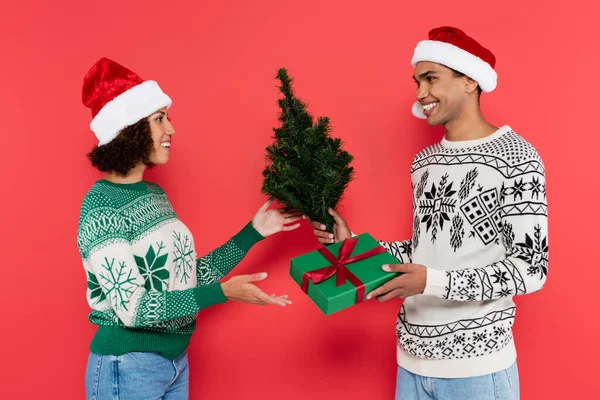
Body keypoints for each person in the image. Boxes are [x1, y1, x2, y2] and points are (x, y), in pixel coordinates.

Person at [309, 27, 548, 399]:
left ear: (469, 80)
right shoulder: (424, 163)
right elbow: (425, 251)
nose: (421, 93)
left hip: (478, 371)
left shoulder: (516, 159)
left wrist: (431, 283)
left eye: (431, 78)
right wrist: (353, 246)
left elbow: (531, 270)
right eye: (417, 81)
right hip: (411, 363)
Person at [78, 57, 301, 400]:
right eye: (159, 118)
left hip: (175, 362)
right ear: (130, 129)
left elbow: (189, 276)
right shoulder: (101, 207)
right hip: (128, 366)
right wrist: (224, 293)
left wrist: (253, 233)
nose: (171, 129)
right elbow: (133, 307)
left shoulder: (154, 194)